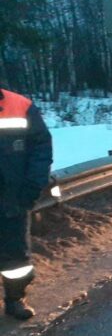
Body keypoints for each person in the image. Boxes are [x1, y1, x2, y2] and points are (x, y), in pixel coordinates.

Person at [0, 86, 52, 320]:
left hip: (12, 197)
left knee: (15, 258)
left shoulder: (20, 106)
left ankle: (15, 298)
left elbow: (41, 147)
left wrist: (32, 186)